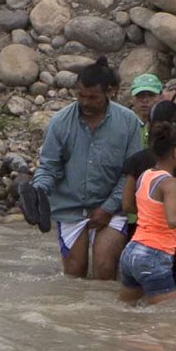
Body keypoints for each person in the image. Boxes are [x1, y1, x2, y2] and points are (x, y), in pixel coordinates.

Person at [36, 62, 147, 281]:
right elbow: (49, 166)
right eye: (81, 96)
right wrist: (37, 190)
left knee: (104, 268)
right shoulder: (59, 122)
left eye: (93, 97)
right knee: (74, 273)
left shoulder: (129, 123)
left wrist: (107, 208)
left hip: (113, 209)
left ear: (109, 92)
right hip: (70, 207)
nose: (85, 103)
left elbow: (132, 173)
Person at [118, 109, 176, 309]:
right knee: (172, 318)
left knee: (125, 315)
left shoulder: (146, 175)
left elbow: (145, 205)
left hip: (131, 253)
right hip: (154, 255)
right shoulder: (170, 182)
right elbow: (174, 220)